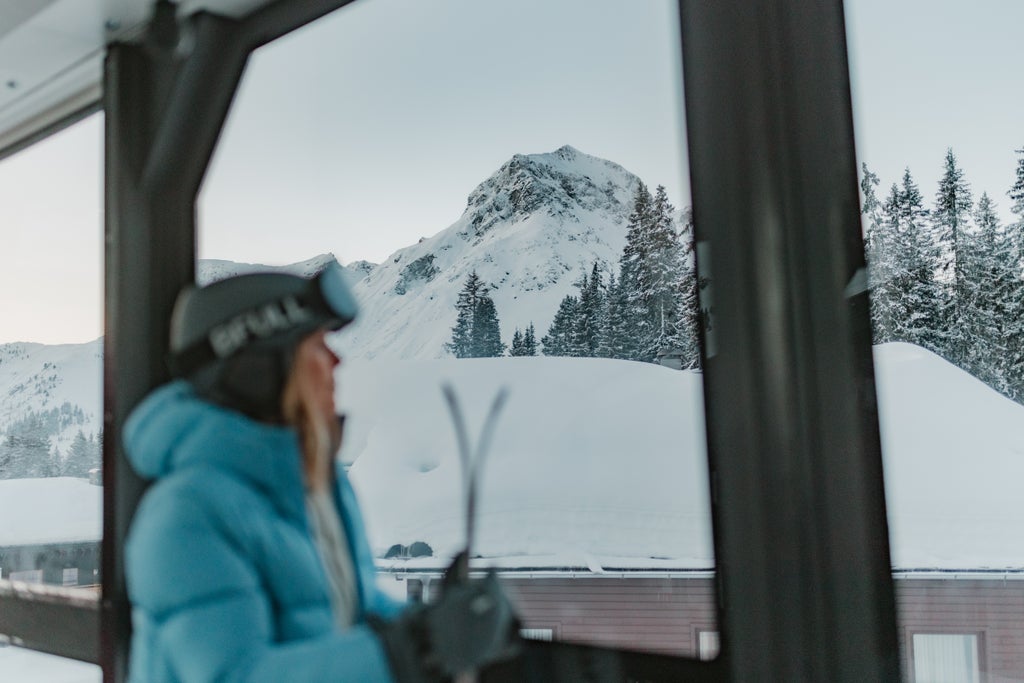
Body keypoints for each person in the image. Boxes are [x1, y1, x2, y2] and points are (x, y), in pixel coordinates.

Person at [123, 259, 518, 682]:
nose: (336, 362)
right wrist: (415, 648)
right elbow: (233, 675)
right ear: (261, 371)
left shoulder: (319, 484)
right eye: (316, 346)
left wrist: (439, 625)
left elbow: (352, 611)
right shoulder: (187, 514)